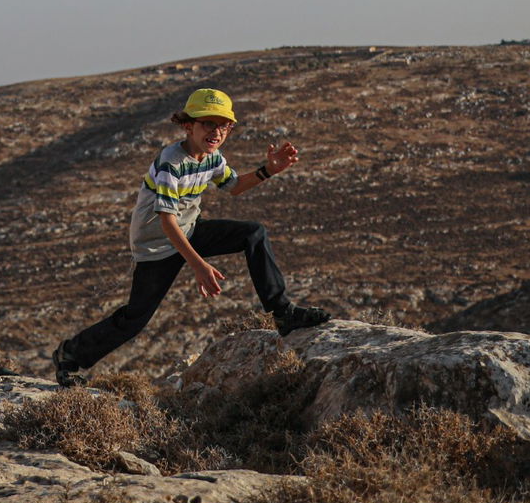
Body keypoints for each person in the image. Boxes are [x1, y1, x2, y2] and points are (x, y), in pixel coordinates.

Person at [52, 87, 330, 387]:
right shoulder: (171, 163)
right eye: (208, 123)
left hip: (189, 229)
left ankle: (283, 313)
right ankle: (70, 355)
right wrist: (198, 265)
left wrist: (269, 170)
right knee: (135, 318)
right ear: (188, 126)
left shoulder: (212, 158)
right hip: (157, 245)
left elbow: (234, 186)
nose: (216, 132)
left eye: (224, 125)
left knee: (254, 233)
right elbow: (167, 221)